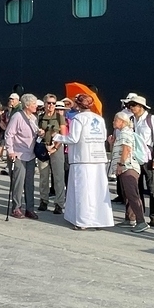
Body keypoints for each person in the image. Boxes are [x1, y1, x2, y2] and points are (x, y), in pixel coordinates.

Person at [53, 94, 114, 229]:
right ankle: (100, 219)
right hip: (98, 158)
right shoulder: (100, 118)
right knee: (98, 189)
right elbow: (103, 136)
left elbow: (73, 138)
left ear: (79, 105)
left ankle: (83, 221)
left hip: (82, 159)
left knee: (82, 190)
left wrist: (57, 136)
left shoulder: (78, 119)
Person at [123, 94, 154, 227]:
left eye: (133, 105)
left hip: (149, 157)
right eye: (129, 106)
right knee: (136, 187)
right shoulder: (131, 119)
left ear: (141, 107)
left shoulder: (152, 119)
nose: (131, 108)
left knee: (153, 188)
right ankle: (138, 214)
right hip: (134, 156)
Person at [3, 94, 40, 220]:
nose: (36, 105)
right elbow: (9, 134)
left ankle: (30, 208)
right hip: (18, 154)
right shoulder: (17, 116)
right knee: (18, 182)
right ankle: (16, 208)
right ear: (27, 105)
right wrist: (10, 151)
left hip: (30, 154)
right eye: (34, 103)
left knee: (29, 183)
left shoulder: (34, 118)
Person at [111, 110, 147, 233]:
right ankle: (130, 219)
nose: (113, 122)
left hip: (128, 167)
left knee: (132, 194)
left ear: (122, 121)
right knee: (127, 194)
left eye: (115, 119)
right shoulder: (122, 133)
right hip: (126, 168)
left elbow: (126, 149)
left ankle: (141, 221)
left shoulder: (125, 133)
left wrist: (120, 164)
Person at [36, 94, 67, 215]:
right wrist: (40, 133)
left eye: (53, 103)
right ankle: (43, 200)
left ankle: (59, 203)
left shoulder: (59, 117)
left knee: (59, 177)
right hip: (43, 147)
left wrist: (54, 148)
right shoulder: (40, 117)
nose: (51, 105)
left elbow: (63, 136)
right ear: (44, 104)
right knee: (43, 176)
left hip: (56, 148)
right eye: (49, 103)